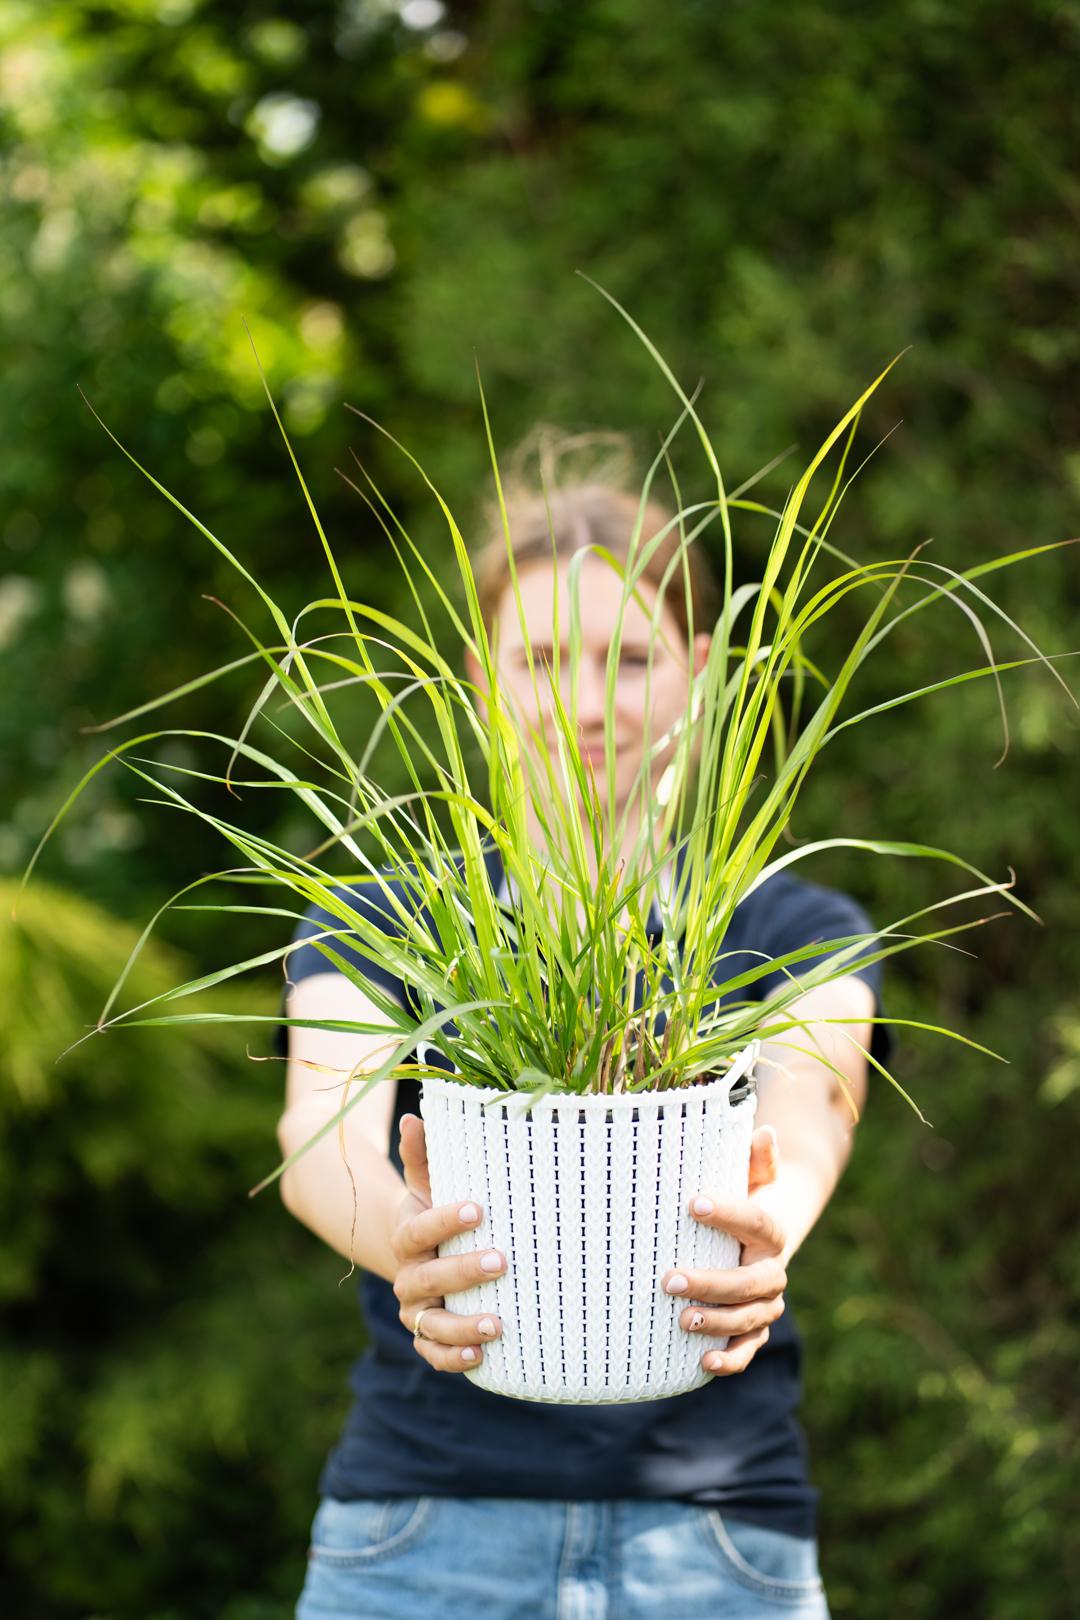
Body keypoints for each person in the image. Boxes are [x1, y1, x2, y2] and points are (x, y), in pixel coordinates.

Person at [277, 435, 889, 1619]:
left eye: (629, 658)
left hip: (719, 1541)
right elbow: (322, 1126)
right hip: (422, 1525)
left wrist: (770, 1230)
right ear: (477, 674)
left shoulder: (798, 922)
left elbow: (810, 1117)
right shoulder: (387, 917)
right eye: (544, 657)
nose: (586, 700)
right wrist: (404, 1239)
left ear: (701, 670)